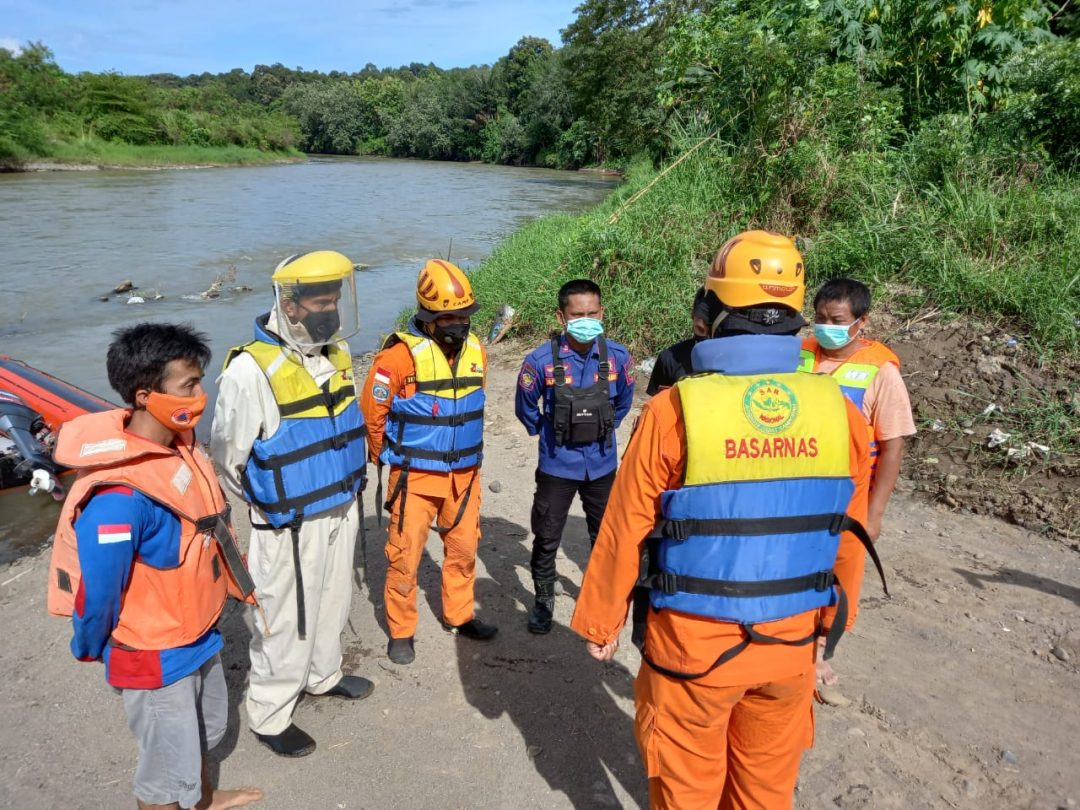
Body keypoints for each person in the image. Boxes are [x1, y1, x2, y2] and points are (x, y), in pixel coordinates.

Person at [570, 230, 882, 809]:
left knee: (687, 790)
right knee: (764, 792)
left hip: (694, 649)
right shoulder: (841, 414)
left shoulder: (674, 410)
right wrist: (828, 633)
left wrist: (601, 622)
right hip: (791, 644)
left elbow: (625, 525)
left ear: (711, 313)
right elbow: (848, 543)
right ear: (796, 317)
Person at [47, 323, 263, 810]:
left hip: (197, 633)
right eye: (188, 385)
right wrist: (90, 646)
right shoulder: (118, 500)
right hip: (155, 655)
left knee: (202, 733)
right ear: (144, 395)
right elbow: (98, 592)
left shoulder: (179, 444)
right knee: (164, 773)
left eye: (200, 381)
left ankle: (204, 797)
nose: (201, 395)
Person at [211, 250, 374, 759]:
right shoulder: (248, 371)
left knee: (333, 600)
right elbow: (227, 458)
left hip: (339, 505)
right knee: (285, 616)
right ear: (290, 302)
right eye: (320, 300)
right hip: (288, 520)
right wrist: (273, 503)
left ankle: (324, 675)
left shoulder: (338, 353)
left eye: (334, 298)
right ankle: (270, 710)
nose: (330, 308)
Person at [361, 258, 497, 665]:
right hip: (416, 476)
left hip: (464, 475)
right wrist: (386, 456)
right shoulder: (398, 358)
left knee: (463, 549)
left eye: (464, 315)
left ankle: (460, 615)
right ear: (428, 316)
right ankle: (401, 631)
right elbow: (373, 414)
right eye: (449, 317)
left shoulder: (477, 351)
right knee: (404, 557)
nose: (459, 323)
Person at [798, 276, 915, 685]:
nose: (824, 326)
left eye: (836, 319)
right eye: (819, 317)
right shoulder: (800, 354)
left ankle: (818, 652)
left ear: (861, 322)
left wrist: (875, 512)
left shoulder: (880, 372)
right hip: (797, 489)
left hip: (849, 497)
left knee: (840, 575)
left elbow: (893, 447)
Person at [514, 279, 635, 634]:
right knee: (547, 535)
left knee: (605, 536)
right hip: (557, 463)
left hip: (601, 463)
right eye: (577, 314)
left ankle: (602, 601)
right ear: (561, 316)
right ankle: (543, 600)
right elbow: (525, 407)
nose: (586, 320)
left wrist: (602, 429)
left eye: (592, 313)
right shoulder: (539, 361)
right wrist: (547, 433)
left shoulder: (617, 357)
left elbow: (624, 402)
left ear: (602, 313)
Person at [644, 286, 710, 395]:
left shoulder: (739, 365)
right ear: (692, 316)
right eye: (701, 330)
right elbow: (658, 408)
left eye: (716, 332)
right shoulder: (669, 360)